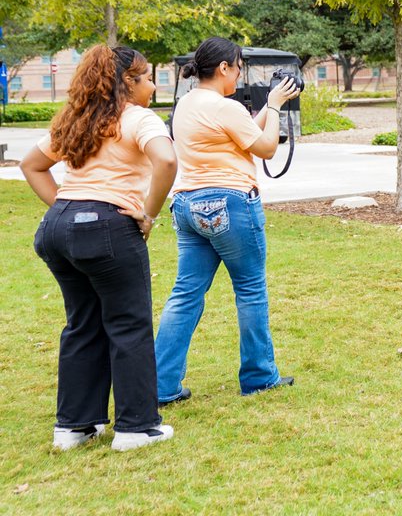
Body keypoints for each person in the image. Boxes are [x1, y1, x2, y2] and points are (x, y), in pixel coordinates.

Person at [20, 45, 178, 451]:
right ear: (128, 82)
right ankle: (136, 428)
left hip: (56, 230)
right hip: (108, 228)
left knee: (82, 323)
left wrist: (68, 209)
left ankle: (73, 427)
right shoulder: (140, 118)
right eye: (146, 78)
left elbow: (31, 165)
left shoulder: (78, 118)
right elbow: (167, 162)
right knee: (129, 324)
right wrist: (149, 214)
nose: (152, 85)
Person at [155, 37, 300, 402]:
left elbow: (247, 130)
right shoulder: (224, 108)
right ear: (223, 68)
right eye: (238, 67)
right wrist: (279, 107)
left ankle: (159, 384)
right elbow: (266, 146)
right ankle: (260, 377)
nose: (239, 73)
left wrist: (269, 103)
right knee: (250, 290)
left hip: (187, 206)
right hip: (231, 204)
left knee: (186, 295)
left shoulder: (187, 103)